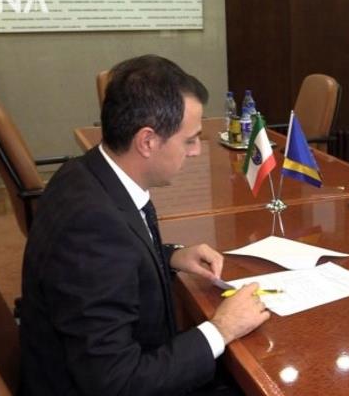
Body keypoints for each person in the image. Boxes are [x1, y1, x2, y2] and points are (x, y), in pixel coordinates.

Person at [19, 55, 270, 395]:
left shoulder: (85, 172)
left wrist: (169, 256)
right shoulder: (92, 228)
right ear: (147, 141)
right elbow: (116, 383)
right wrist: (221, 328)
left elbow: (112, 263)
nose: (196, 151)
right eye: (190, 140)